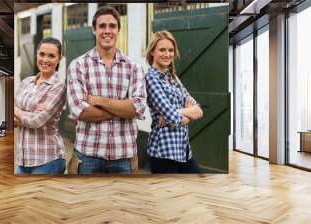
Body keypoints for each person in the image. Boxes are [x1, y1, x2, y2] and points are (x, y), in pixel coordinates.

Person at [66, 6, 147, 174]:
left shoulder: (134, 67)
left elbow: (137, 107)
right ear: (94, 30)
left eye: (112, 26)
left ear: (118, 30)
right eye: (102, 26)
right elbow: (81, 112)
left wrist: (98, 101)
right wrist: (123, 107)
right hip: (87, 156)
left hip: (124, 157)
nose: (107, 31)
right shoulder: (78, 65)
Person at [145, 31, 204, 173]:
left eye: (171, 50)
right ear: (152, 52)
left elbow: (199, 111)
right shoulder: (151, 78)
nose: (167, 54)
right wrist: (182, 116)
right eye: (162, 50)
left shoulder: (173, 78)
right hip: (164, 152)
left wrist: (177, 113)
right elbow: (173, 117)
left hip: (183, 151)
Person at [14, 37, 66, 174]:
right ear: (36, 54)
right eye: (42, 54)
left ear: (59, 58)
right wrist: (27, 114)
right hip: (22, 159)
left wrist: (18, 111)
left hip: (48, 160)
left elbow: (36, 121)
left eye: (51, 56)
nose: (45, 60)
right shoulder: (26, 82)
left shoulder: (59, 87)